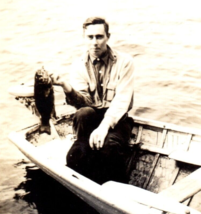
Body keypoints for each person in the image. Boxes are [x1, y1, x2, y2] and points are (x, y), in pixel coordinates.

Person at [51, 17, 135, 184]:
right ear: (84, 38)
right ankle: (85, 177)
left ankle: (116, 185)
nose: (94, 42)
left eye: (99, 37)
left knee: (109, 148)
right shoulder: (78, 66)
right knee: (76, 150)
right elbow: (84, 103)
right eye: (90, 37)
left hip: (117, 119)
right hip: (90, 119)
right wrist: (66, 87)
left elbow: (122, 100)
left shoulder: (125, 62)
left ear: (108, 37)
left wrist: (104, 127)